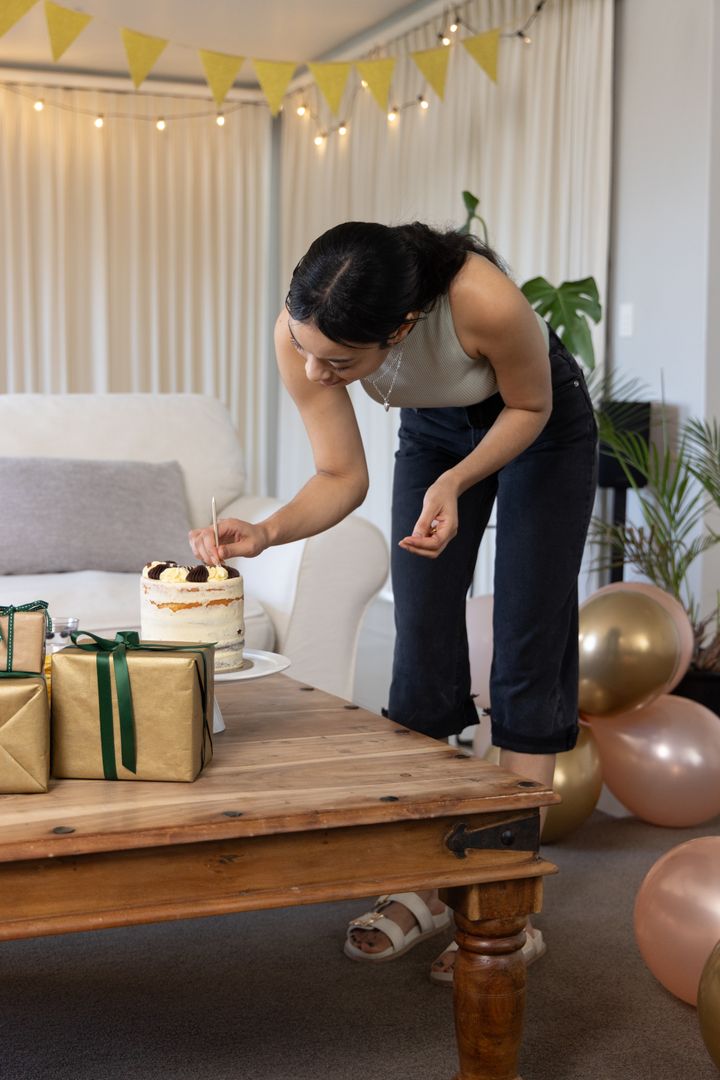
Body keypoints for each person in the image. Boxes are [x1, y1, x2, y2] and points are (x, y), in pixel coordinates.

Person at [189, 220, 599, 984]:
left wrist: (458, 481)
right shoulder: (302, 333)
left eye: (339, 363)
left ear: (402, 329)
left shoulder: (485, 302)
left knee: (527, 643)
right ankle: (424, 884)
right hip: (436, 429)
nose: (314, 371)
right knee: (421, 648)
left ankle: (508, 906)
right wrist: (268, 531)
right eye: (305, 348)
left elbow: (531, 407)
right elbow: (341, 475)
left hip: (539, 424)